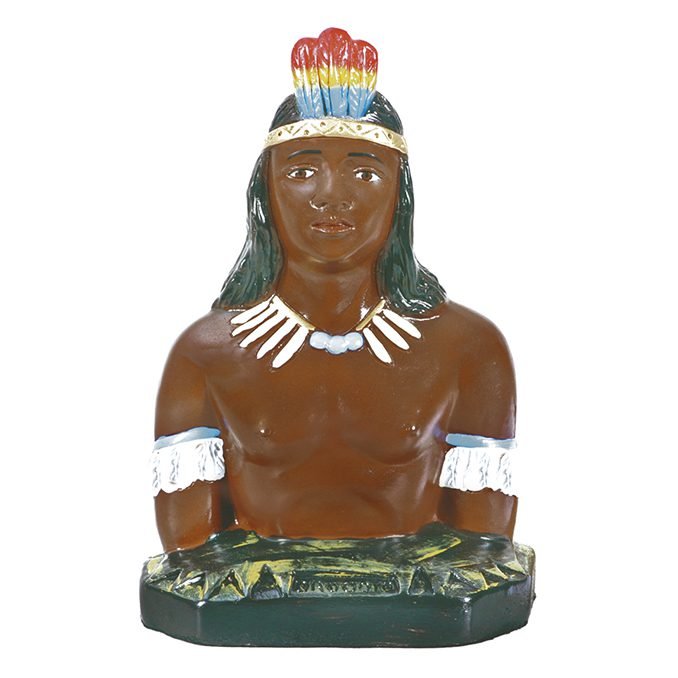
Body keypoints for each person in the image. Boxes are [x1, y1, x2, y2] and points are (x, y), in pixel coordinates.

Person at [150, 28, 519, 553]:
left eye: (364, 174)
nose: (331, 195)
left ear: (400, 195)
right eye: (302, 170)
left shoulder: (469, 349)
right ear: (265, 191)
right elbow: (190, 555)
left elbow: (483, 552)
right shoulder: (204, 355)